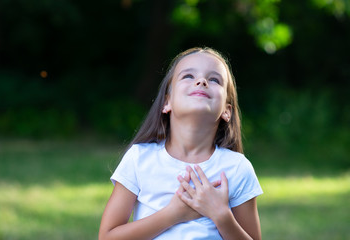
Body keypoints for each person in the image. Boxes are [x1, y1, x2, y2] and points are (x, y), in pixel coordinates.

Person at [99, 47, 263, 240]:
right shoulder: (140, 158)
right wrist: (173, 214)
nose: (201, 81)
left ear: (227, 111)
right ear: (166, 103)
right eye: (188, 76)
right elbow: (107, 237)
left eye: (214, 80)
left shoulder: (237, 168)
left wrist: (221, 216)